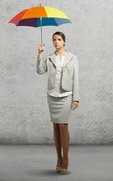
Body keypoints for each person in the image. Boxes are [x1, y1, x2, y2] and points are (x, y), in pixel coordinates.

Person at [36, 31, 79, 174]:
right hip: (52, 96)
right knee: (55, 127)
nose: (56, 42)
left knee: (63, 126)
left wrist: (76, 98)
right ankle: (58, 159)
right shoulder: (49, 58)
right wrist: (39, 54)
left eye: (59, 39)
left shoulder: (73, 58)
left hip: (66, 95)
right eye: (54, 40)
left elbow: (75, 79)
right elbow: (40, 71)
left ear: (64, 41)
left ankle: (65, 159)